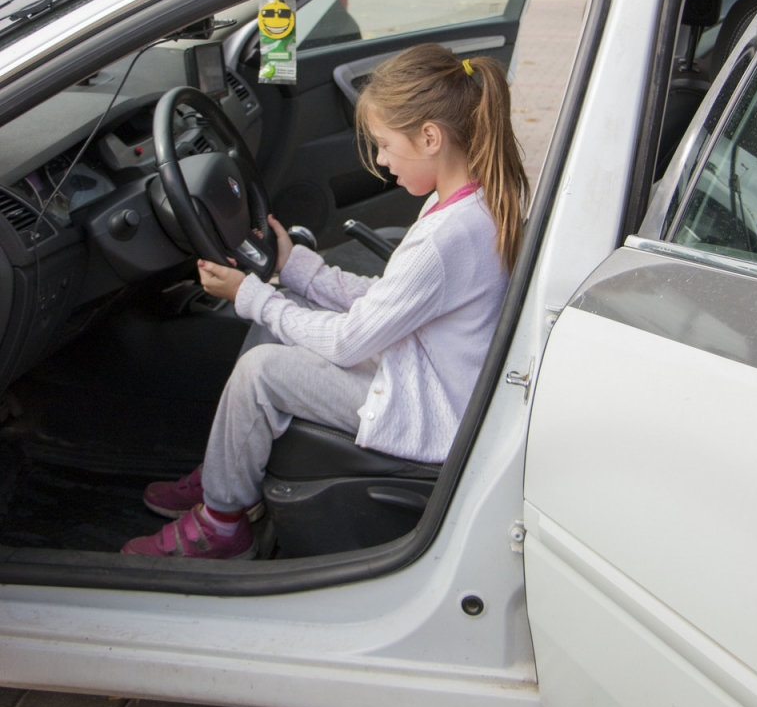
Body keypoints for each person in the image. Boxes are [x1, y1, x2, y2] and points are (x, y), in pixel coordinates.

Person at [122, 43, 530, 559]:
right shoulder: (474, 198)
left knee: (261, 369)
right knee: (279, 316)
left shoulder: (448, 236)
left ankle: (223, 523)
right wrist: (296, 268)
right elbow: (390, 299)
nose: (380, 160)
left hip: (431, 407)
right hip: (428, 368)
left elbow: (346, 341)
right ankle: (230, 461)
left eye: (384, 145)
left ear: (430, 138)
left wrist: (251, 294)